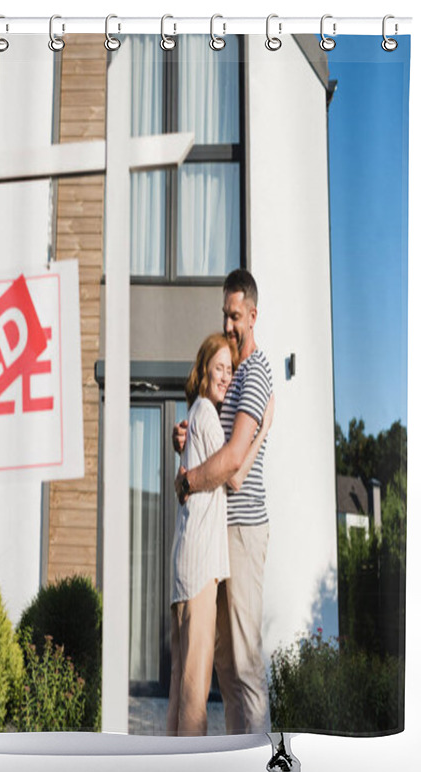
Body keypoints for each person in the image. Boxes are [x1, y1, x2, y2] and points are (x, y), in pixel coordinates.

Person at [173, 269, 275, 735]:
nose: (229, 325)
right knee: (226, 670)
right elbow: (217, 442)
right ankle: (237, 765)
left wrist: (190, 478)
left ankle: (258, 768)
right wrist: (187, 437)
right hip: (219, 535)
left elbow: (233, 463)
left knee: (246, 667)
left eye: (236, 316)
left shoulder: (254, 372)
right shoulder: (230, 375)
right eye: (225, 316)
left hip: (242, 531)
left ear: (252, 315)